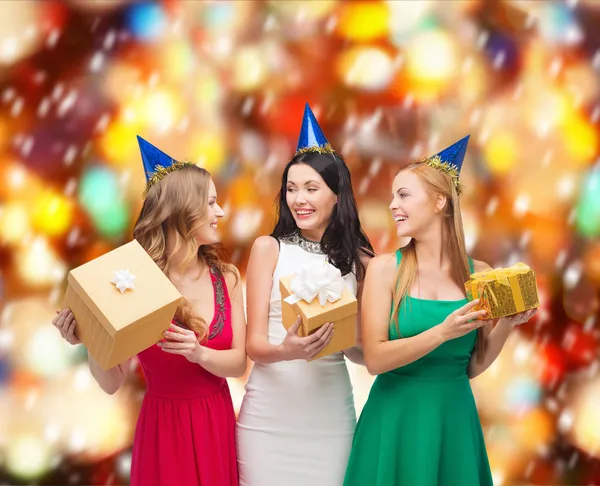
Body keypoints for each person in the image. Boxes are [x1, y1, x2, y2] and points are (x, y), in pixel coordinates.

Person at [52, 136, 246, 486]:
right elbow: (112, 382)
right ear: (182, 210)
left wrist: (198, 353)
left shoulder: (227, 278)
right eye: (212, 203)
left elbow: (238, 362)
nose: (220, 213)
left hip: (215, 422)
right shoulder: (135, 281)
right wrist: (90, 340)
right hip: (163, 429)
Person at [343, 135, 537, 486]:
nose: (392, 205)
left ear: (439, 202)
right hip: (394, 420)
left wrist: (506, 324)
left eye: (403, 195)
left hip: (454, 421)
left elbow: (472, 366)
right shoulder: (385, 269)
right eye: (392, 196)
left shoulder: (481, 274)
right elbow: (375, 358)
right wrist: (442, 332)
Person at [236, 104, 374, 486]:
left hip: (330, 416)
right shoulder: (269, 249)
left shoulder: (362, 260)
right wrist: (289, 350)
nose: (299, 199)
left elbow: (362, 350)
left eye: (311, 188)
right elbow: (255, 345)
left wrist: (354, 344)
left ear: (336, 194)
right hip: (269, 417)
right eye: (292, 189)